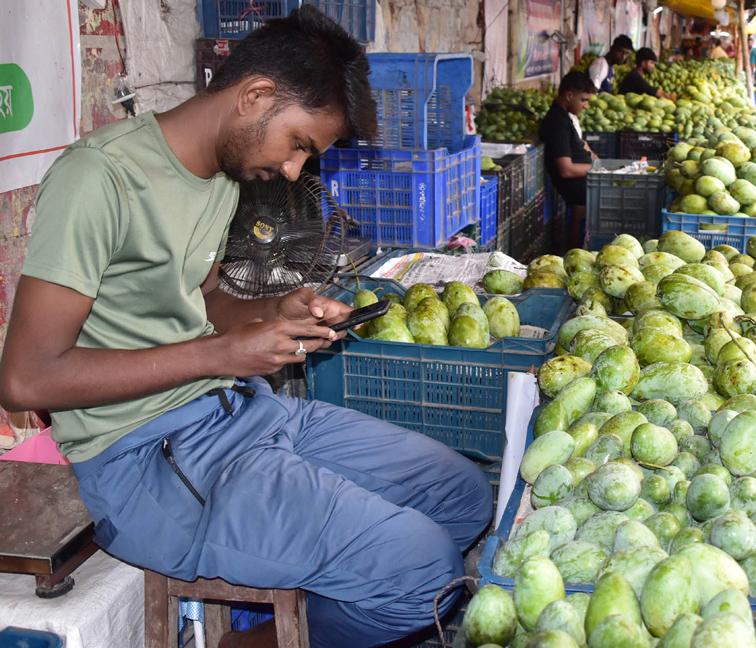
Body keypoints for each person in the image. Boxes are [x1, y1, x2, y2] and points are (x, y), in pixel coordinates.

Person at [0, 7, 492, 648]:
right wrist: (221, 356)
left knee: (460, 496)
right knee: (421, 572)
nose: (294, 171)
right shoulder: (102, 178)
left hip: (239, 414)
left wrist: (274, 314)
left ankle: (327, 578)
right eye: (299, 146)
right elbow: (24, 380)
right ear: (255, 96)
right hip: (147, 462)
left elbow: (201, 301)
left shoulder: (220, 177)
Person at [538, 71, 597, 252]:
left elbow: (582, 146)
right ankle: (576, 248)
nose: (586, 105)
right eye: (583, 100)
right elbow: (566, 169)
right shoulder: (558, 123)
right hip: (577, 190)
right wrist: (596, 169)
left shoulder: (566, 117)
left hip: (583, 184)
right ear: (569, 95)